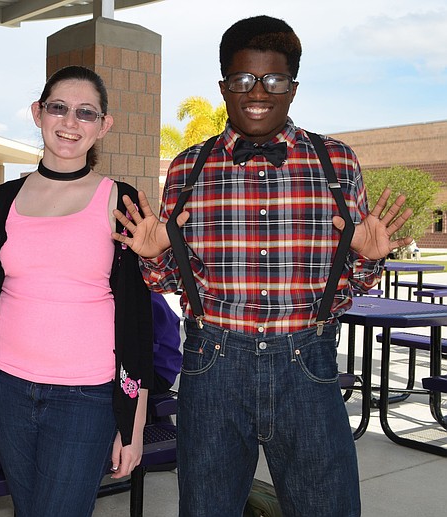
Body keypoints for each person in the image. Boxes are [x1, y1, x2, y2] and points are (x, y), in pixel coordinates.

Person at [112, 16, 413, 517]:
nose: (258, 92)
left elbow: (349, 283)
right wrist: (154, 257)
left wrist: (366, 260)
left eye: (273, 80)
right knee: (206, 508)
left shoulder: (336, 162)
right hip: (213, 365)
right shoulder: (190, 167)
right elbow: (169, 281)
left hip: (308, 362)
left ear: (292, 87)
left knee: (328, 506)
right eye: (243, 79)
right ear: (224, 86)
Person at [0, 65, 153, 517]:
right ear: (38, 114)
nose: (70, 122)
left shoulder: (122, 202)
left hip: (86, 398)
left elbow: (137, 320)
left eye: (86, 113)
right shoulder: (0, 201)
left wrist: (132, 423)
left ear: (103, 125)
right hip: (6, 390)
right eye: (58, 108)